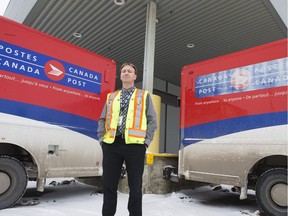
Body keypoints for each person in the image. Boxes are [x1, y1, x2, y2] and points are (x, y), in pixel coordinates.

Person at [97, 62, 157, 216]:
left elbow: (152, 121)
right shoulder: (111, 96)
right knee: (109, 186)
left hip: (135, 146)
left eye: (129, 71)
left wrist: (146, 142)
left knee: (135, 187)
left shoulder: (144, 96)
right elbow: (102, 119)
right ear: (120, 75)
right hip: (111, 145)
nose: (126, 73)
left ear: (135, 76)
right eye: (123, 71)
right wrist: (101, 139)